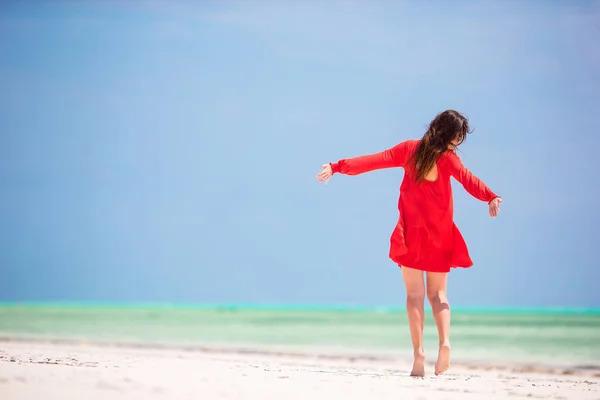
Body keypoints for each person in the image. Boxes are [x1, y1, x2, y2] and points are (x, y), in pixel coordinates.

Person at [316, 110, 502, 377]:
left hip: (411, 235)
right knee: (438, 296)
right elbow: (468, 180)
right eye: (459, 138)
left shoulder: (409, 150)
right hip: (440, 235)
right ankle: (445, 343)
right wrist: (490, 196)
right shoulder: (449, 159)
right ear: (452, 137)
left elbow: (372, 161)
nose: (458, 143)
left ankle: (418, 355)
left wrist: (337, 166)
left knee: (414, 296)